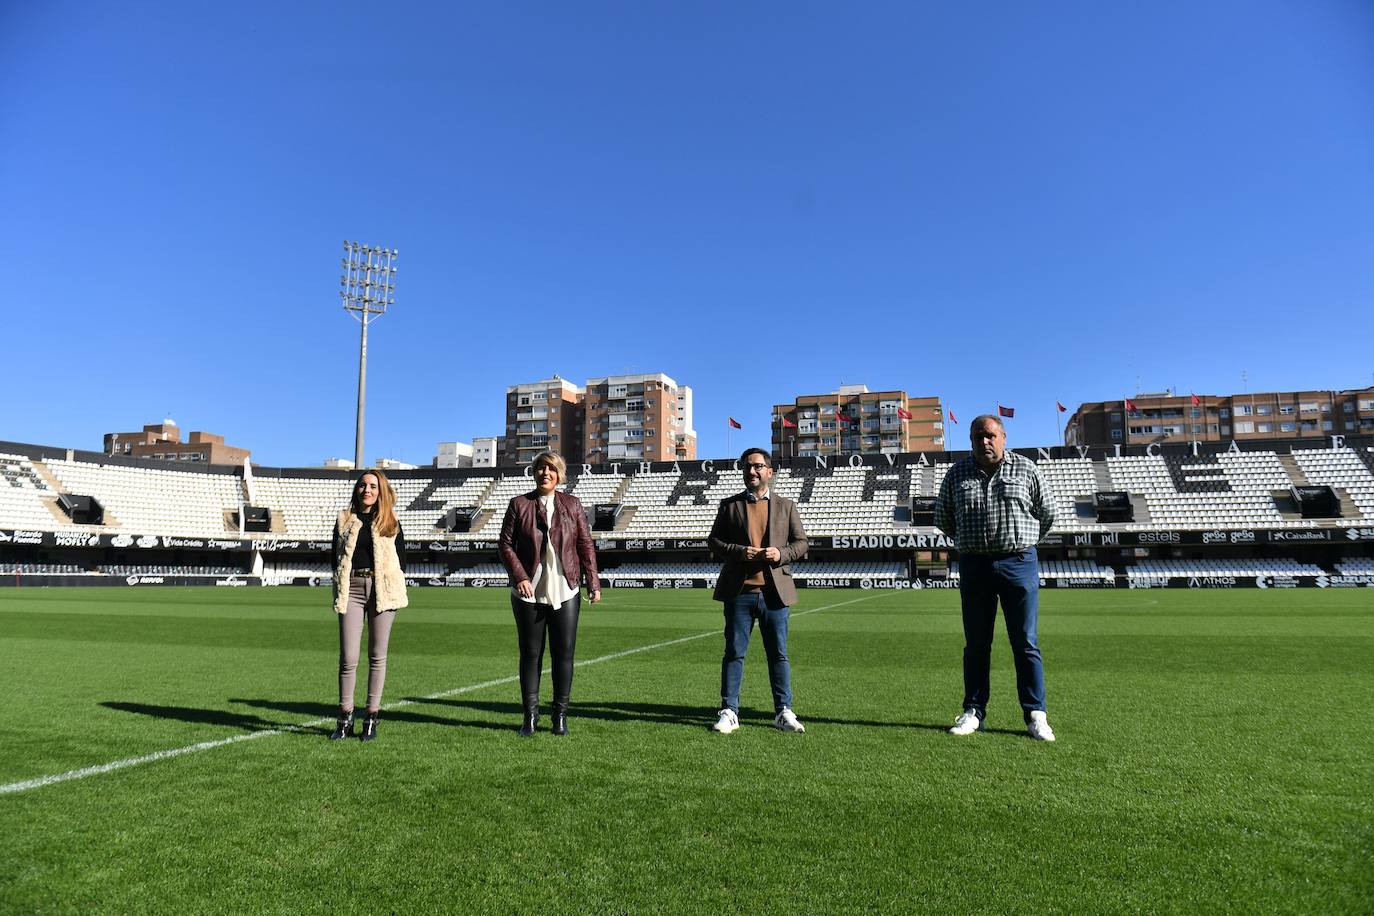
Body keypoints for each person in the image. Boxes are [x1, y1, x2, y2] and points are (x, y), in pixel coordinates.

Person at [935, 414, 1058, 741]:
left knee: (1025, 642)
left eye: (990, 435)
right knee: (976, 644)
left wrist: (1024, 543)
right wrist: (971, 544)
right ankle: (974, 710)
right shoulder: (957, 472)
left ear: (1003, 436)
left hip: (1019, 562)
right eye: (977, 437)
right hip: (975, 565)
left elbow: (1048, 514)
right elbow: (944, 518)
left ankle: (1036, 713)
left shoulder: (1026, 469)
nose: (984, 442)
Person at [498, 450, 600, 737]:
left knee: (563, 654)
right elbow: (505, 545)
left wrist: (593, 582)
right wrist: (519, 576)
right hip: (528, 590)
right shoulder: (519, 504)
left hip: (565, 588)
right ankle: (529, 717)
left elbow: (585, 544)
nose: (546, 473)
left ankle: (560, 716)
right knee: (530, 655)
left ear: (559, 474)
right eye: (541, 468)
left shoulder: (573, 504)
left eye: (551, 469)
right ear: (534, 472)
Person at [707, 447, 809, 734]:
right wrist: (741, 552)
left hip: (775, 594)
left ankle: (783, 711)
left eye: (757, 466)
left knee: (778, 653)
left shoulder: (786, 506)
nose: (751, 471)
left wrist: (781, 553)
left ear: (769, 471)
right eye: (747, 466)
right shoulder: (729, 505)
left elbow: (802, 543)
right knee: (734, 652)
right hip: (739, 593)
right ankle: (729, 711)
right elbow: (714, 542)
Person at [329, 469, 408, 742]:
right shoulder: (344, 520)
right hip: (352, 589)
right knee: (348, 658)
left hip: (382, 591)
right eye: (363, 485)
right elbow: (335, 558)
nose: (367, 490)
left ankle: (371, 718)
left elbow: (401, 562)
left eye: (373, 486)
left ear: (380, 491)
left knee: (378, 657)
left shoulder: (391, 521)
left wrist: (387, 583)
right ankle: (344, 717)